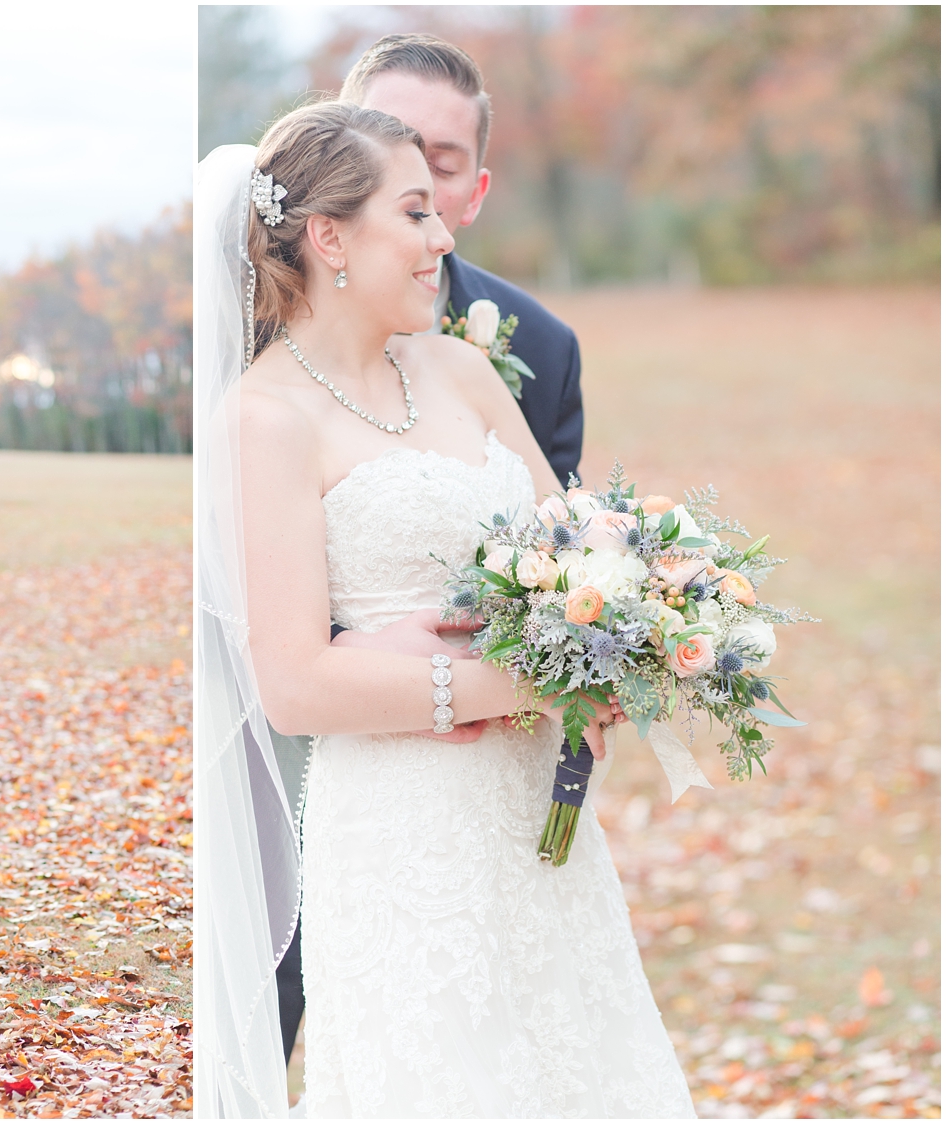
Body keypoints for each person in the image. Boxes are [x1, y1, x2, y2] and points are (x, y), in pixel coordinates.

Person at [194, 102, 693, 1116]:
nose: (444, 238)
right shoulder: (265, 416)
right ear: (329, 235)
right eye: (415, 213)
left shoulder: (461, 368)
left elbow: (574, 546)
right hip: (403, 838)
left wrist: (626, 633)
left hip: (539, 825)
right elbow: (291, 682)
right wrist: (517, 676)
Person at [271, 33, 589, 1077]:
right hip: (348, 770)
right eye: (399, 183)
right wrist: (405, 670)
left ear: (474, 184)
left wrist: (620, 642)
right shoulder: (258, 371)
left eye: (437, 173)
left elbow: (562, 553)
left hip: (507, 782)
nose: (428, 220)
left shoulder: (510, 351)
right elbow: (274, 632)